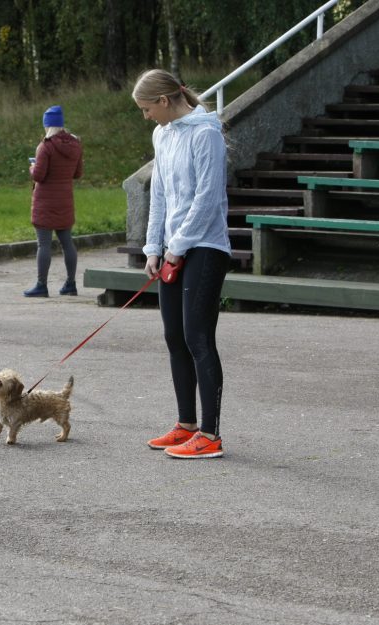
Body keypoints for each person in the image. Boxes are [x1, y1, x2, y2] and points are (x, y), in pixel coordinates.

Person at [133, 69, 231, 459]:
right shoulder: (162, 134)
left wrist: (178, 246)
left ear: (163, 101)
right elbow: (159, 196)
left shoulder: (206, 133)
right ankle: (186, 424)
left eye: (145, 108)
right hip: (172, 247)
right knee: (174, 336)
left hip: (205, 246)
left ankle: (210, 434)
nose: (145, 117)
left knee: (197, 338)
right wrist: (153, 247)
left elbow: (207, 198)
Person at [24, 105, 84, 298]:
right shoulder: (75, 144)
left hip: (45, 202)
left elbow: (39, 176)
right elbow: (78, 173)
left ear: (47, 125)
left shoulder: (46, 146)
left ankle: (41, 285)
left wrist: (32, 167)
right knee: (67, 243)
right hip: (65, 200)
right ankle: (71, 284)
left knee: (44, 245)